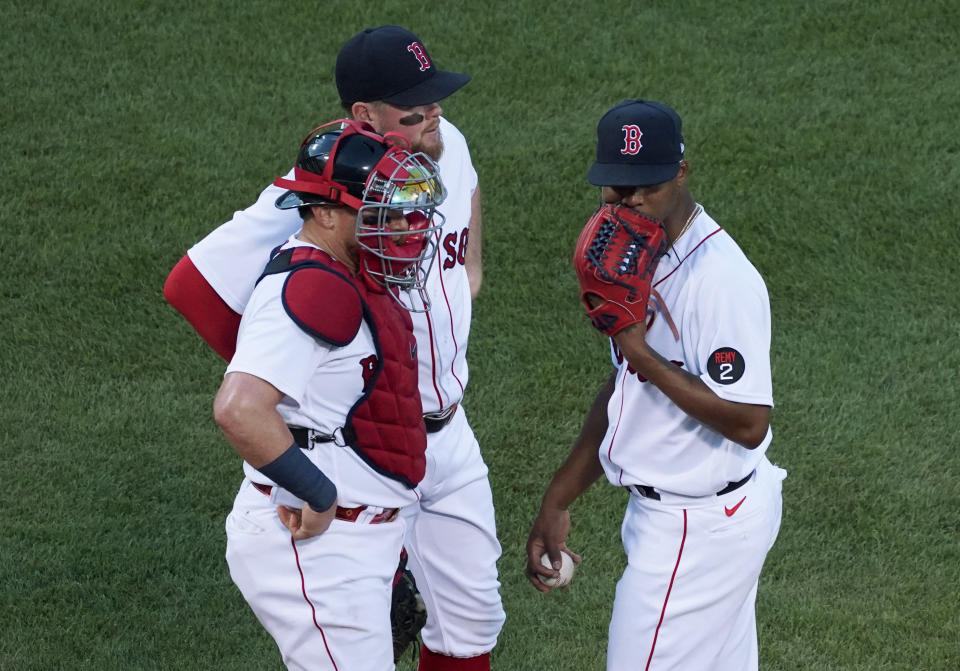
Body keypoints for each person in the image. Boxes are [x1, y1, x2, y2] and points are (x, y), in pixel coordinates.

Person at [164, 26, 503, 670]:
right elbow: (194, 285)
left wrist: (461, 292)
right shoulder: (327, 187)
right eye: (414, 110)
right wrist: (302, 385)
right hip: (356, 447)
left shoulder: (446, 145)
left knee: (473, 620)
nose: (433, 118)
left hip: (446, 433)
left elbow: (467, 255)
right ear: (365, 116)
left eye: (437, 102)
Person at [525, 99, 786, 671]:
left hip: (699, 533)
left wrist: (638, 348)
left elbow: (748, 422)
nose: (632, 200)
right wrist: (559, 497)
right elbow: (628, 385)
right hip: (692, 518)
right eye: (616, 189)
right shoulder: (634, 258)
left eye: (647, 185)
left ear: (681, 173)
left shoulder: (720, 280)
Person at [214, 120, 445, 670]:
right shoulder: (312, 286)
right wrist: (317, 494)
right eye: (380, 213)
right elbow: (239, 409)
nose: (401, 226)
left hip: (355, 541)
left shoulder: (353, 271)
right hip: (317, 545)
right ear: (325, 212)